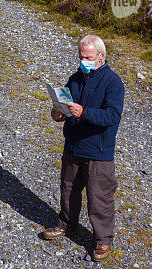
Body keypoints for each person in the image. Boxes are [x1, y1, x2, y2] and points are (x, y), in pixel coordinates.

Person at [42, 34, 125, 262]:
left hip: (98, 152)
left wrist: (84, 112)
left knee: (100, 198)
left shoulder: (113, 82)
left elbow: (112, 116)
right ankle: (67, 223)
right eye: (80, 56)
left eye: (87, 57)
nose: (83, 61)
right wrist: (57, 114)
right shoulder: (75, 78)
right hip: (73, 146)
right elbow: (65, 108)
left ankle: (102, 240)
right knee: (68, 189)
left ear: (101, 57)